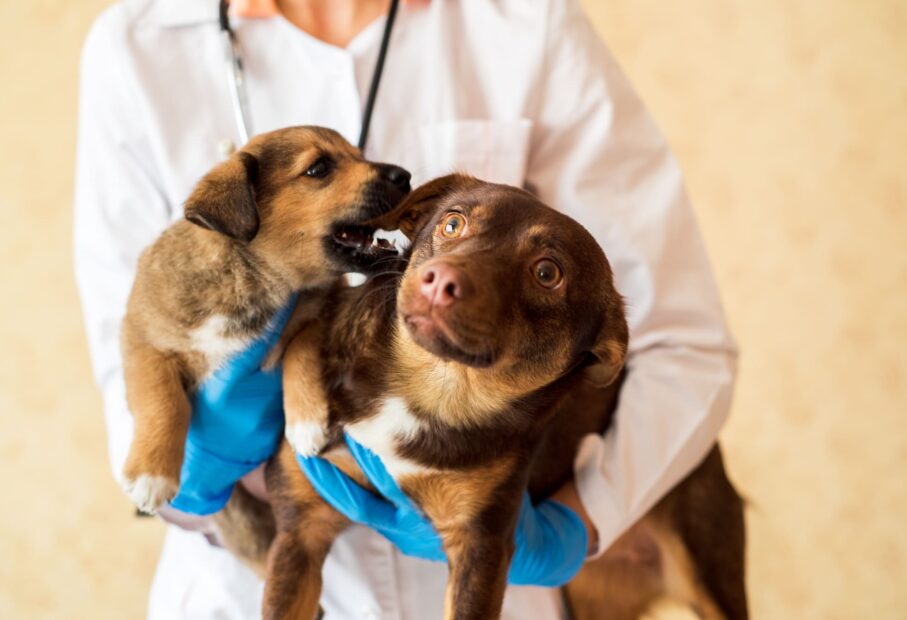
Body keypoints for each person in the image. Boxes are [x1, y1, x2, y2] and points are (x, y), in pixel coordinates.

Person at [73, 0, 738, 618]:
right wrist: (191, 465)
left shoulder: (525, 22)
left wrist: (584, 517)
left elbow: (685, 343)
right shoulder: (136, 45)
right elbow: (128, 341)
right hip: (234, 583)